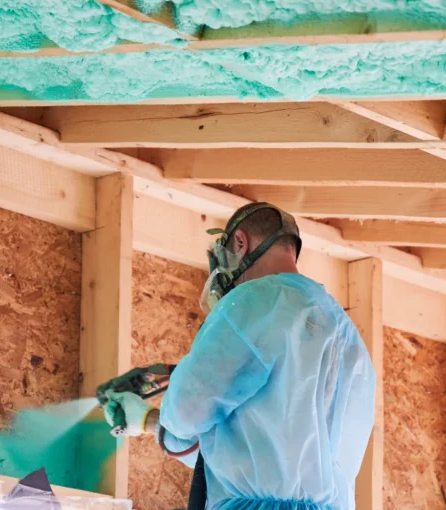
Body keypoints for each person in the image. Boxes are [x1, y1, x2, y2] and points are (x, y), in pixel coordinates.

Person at [104, 202, 376, 510]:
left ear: (240, 243)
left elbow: (187, 411)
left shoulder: (255, 301)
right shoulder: (348, 336)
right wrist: (144, 420)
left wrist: (158, 418)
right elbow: (255, 453)